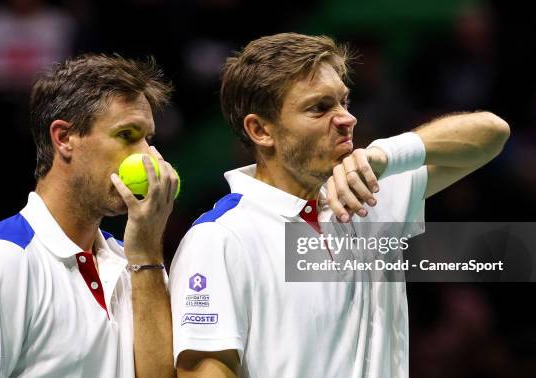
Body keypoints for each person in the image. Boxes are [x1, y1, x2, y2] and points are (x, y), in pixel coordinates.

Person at [169, 33, 510, 377]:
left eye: (344, 102)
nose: (347, 119)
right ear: (261, 130)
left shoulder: (371, 191)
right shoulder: (221, 238)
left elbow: (492, 134)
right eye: (320, 108)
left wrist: (386, 155)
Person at [0, 54, 178, 377]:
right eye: (127, 135)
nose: (149, 156)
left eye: (148, 139)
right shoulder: (1, 261)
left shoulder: (138, 263)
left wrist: (147, 255)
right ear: (64, 139)